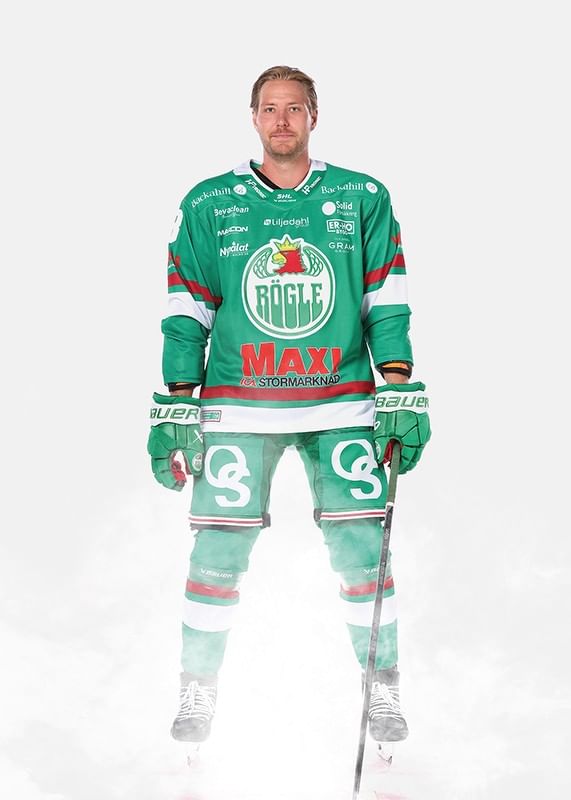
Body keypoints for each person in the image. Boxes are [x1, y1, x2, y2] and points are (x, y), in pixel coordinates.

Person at [147, 65, 431, 748]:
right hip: (238, 404)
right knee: (216, 552)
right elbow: (187, 309)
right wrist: (177, 404)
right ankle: (198, 688)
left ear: (313, 115)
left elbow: (385, 297)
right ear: (253, 117)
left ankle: (381, 683)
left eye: (294, 108)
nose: (281, 121)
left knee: (364, 550)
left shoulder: (361, 195)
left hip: (340, 401)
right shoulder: (209, 202)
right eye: (269, 108)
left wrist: (396, 386)